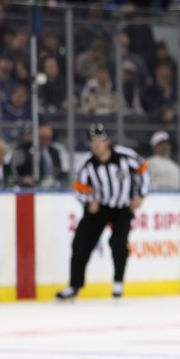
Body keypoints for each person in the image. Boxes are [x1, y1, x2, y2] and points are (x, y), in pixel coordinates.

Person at [55, 124, 149, 301]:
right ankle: (74, 286)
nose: (96, 145)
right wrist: (88, 201)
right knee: (80, 244)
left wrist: (140, 195)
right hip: (99, 209)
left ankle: (118, 284)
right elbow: (78, 187)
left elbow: (143, 169)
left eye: (99, 140)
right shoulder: (87, 163)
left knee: (119, 243)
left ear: (107, 141)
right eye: (92, 141)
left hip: (122, 207)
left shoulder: (124, 155)